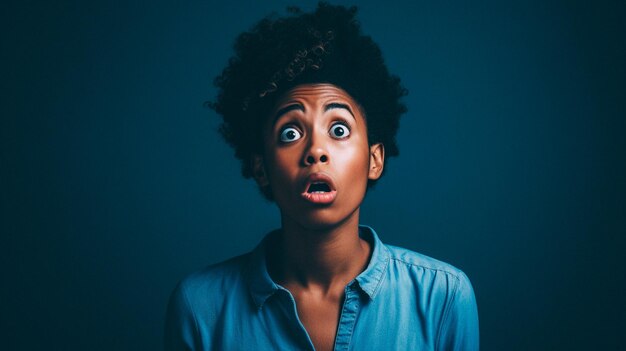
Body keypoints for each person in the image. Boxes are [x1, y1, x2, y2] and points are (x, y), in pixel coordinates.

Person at [165, 3, 479, 350]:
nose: (316, 149)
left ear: (374, 159)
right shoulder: (199, 307)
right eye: (290, 133)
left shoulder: (443, 297)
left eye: (339, 129)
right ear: (261, 169)